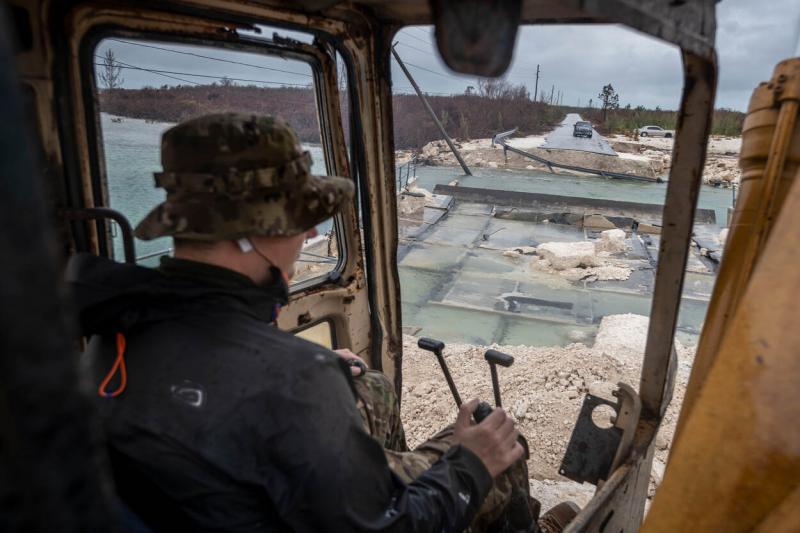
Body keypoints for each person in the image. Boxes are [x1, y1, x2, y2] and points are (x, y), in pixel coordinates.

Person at [68, 113, 577, 532]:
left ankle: (377, 477)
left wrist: (310, 375)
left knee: (371, 385)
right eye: (297, 218)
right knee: (499, 439)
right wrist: (471, 464)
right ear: (254, 232)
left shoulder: (116, 325)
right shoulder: (295, 380)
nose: (311, 230)